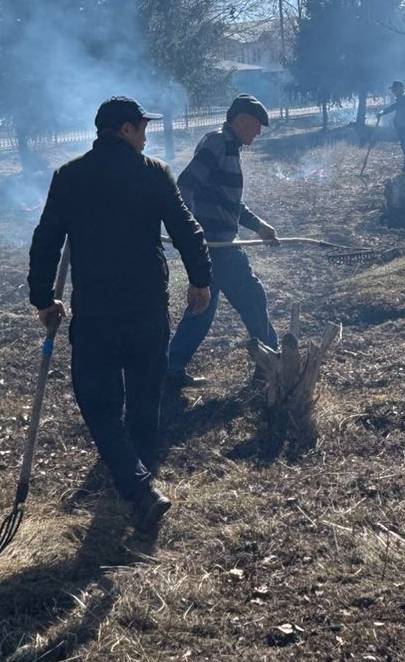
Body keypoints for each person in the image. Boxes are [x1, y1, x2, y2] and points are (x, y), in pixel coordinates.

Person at [29, 97, 212, 527]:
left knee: (99, 404)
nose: (146, 134)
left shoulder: (69, 176)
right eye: (142, 126)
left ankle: (138, 487)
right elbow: (186, 228)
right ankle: (141, 486)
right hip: (147, 308)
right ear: (125, 130)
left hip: (96, 313)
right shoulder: (153, 173)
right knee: (145, 401)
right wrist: (200, 279)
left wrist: (42, 298)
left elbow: (46, 241)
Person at [165, 94, 280, 389]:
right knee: (253, 298)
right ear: (242, 121)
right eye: (256, 126)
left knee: (200, 310)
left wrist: (259, 226)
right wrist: (193, 235)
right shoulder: (218, 143)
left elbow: (226, 203)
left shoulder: (228, 147)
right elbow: (186, 185)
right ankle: (272, 364)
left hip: (217, 243)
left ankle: (170, 369)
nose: (258, 132)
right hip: (217, 247)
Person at [380, 81, 405, 172]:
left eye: (394, 90)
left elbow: (396, 106)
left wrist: (383, 112)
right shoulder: (402, 97)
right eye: (393, 90)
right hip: (403, 126)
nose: (393, 92)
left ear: (400, 88)